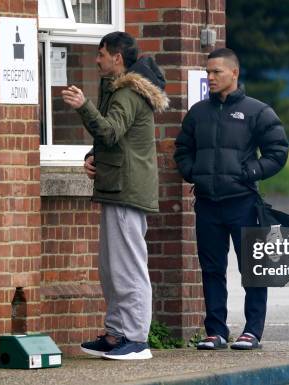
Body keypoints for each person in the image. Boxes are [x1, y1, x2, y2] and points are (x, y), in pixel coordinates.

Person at [62, 31, 169, 360]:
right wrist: (93, 157)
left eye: (101, 54)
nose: (97, 59)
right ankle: (115, 334)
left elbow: (109, 131)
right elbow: (114, 140)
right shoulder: (120, 89)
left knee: (128, 268)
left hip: (127, 190)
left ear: (117, 58)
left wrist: (83, 107)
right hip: (117, 186)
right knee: (111, 268)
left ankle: (135, 339)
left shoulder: (127, 92)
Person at [174, 48, 289, 350]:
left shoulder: (257, 111)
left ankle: (252, 331)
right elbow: (182, 151)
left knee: (253, 269)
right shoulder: (198, 113)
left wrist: (250, 171)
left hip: (243, 203)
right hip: (208, 204)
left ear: (234, 73)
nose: (210, 77)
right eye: (208, 72)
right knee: (211, 269)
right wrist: (194, 173)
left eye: (216, 72)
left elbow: (278, 152)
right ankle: (216, 332)